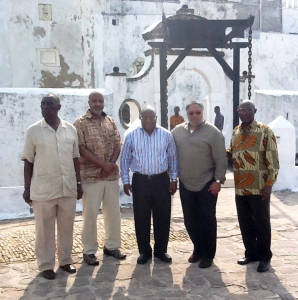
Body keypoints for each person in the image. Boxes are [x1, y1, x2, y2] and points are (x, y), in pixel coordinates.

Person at [21, 93, 83, 280]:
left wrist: (79, 184)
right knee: (44, 229)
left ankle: (65, 261)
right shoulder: (33, 131)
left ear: (59, 107)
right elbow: (28, 162)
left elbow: (75, 159)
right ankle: (46, 265)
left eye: (50, 104)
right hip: (43, 190)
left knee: (67, 227)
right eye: (43, 104)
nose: (45, 107)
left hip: (67, 188)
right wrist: (27, 188)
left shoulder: (70, 129)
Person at [172, 101, 227, 268]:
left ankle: (208, 255)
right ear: (187, 114)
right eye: (191, 113)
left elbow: (221, 159)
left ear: (202, 113)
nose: (194, 116)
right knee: (190, 220)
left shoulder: (213, 133)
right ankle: (197, 249)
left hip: (207, 183)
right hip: (186, 183)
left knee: (207, 220)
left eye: (198, 113)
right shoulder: (177, 132)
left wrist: (218, 181)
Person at [120, 106, 178, 264]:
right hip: (140, 181)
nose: (148, 120)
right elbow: (124, 160)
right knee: (141, 217)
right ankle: (144, 251)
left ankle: (161, 251)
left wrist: (174, 179)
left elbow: (173, 158)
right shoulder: (132, 136)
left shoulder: (166, 135)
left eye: (152, 117)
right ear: (140, 118)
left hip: (161, 180)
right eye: (145, 117)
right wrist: (125, 181)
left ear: (156, 118)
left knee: (163, 216)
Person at [74, 91, 126, 266]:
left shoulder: (110, 121)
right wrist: (102, 165)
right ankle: (89, 251)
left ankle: (111, 246)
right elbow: (81, 149)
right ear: (89, 102)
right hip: (91, 176)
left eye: (100, 101)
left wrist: (110, 163)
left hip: (110, 176)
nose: (98, 104)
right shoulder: (80, 123)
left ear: (104, 103)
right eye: (94, 101)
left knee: (113, 214)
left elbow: (118, 143)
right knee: (90, 215)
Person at [228, 100, 279, 272]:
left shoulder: (265, 131)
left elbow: (273, 160)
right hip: (240, 187)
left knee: (262, 223)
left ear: (254, 111)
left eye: (248, 110)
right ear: (237, 111)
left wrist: (269, 185)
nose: (245, 113)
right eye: (242, 110)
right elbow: (231, 152)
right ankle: (251, 253)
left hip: (259, 186)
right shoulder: (235, 131)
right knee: (245, 222)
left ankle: (265, 257)